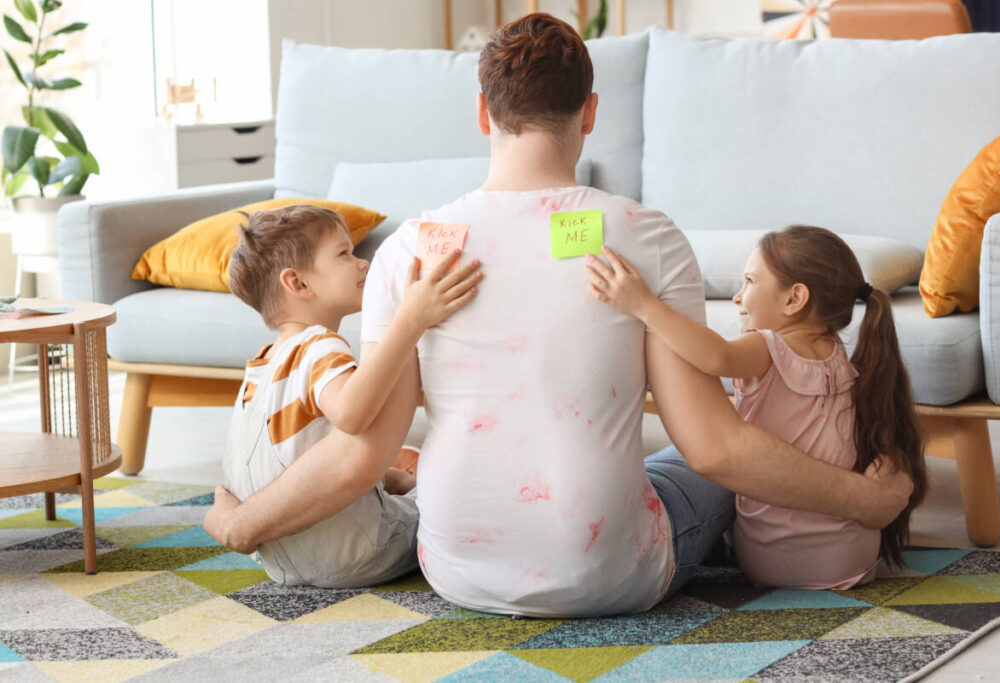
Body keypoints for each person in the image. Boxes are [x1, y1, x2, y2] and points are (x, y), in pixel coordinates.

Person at [204, 14, 913, 616]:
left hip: (457, 572)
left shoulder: (407, 255)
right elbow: (715, 448)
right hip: (610, 573)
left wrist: (243, 524)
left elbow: (360, 452)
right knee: (698, 470)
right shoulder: (649, 236)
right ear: (591, 113)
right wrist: (865, 498)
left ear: (483, 113)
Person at [585, 226, 928, 589]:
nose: (737, 298)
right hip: (852, 559)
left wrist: (644, 306)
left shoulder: (769, 348)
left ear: (794, 299)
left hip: (772, 564)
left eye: (749, 281)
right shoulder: (844, 361)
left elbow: (716, 356)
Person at [220, 204, 481, 587]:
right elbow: (352, 414)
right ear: (298, 284)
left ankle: (398, 478)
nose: (363, 264)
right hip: (359, 551)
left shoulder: (264, 364)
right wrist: (412, 318)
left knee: (403, 475)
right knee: (451, 506)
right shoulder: (319, 346)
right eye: (344, 254)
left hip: (282, 561)